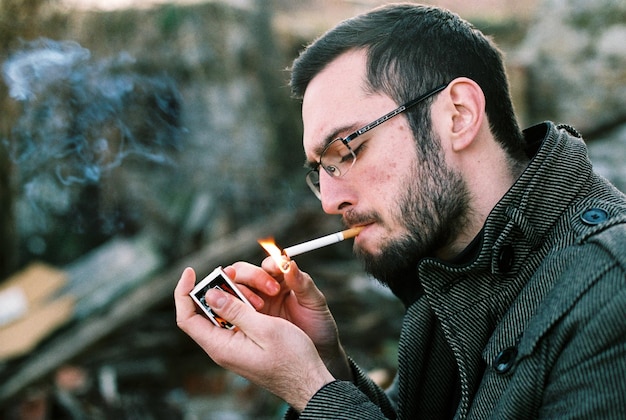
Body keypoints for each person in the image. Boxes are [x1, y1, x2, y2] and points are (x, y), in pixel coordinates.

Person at [175, 3, 626, 418]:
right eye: (322, 170)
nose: (332, 201)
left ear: (458, 115)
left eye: (348, 149)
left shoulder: (610, 287)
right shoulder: (445, 273)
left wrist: (313, 392)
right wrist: (329, 371)